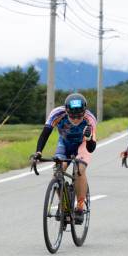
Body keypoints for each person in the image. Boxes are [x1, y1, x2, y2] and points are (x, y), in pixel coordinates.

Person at [31, 92, 97, 224]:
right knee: (57, 172)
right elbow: (45, 133)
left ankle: (79, 207)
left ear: (84, 111)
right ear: (66, 111)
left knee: (79, 169)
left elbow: (91, 148)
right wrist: (38, 152)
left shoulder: (90, 119)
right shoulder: (57, 113)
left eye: (79, 116)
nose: (76, 120)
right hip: (64, 143)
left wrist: (89, 138)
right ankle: (65, 206)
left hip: (83, 144)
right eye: (72, 116)